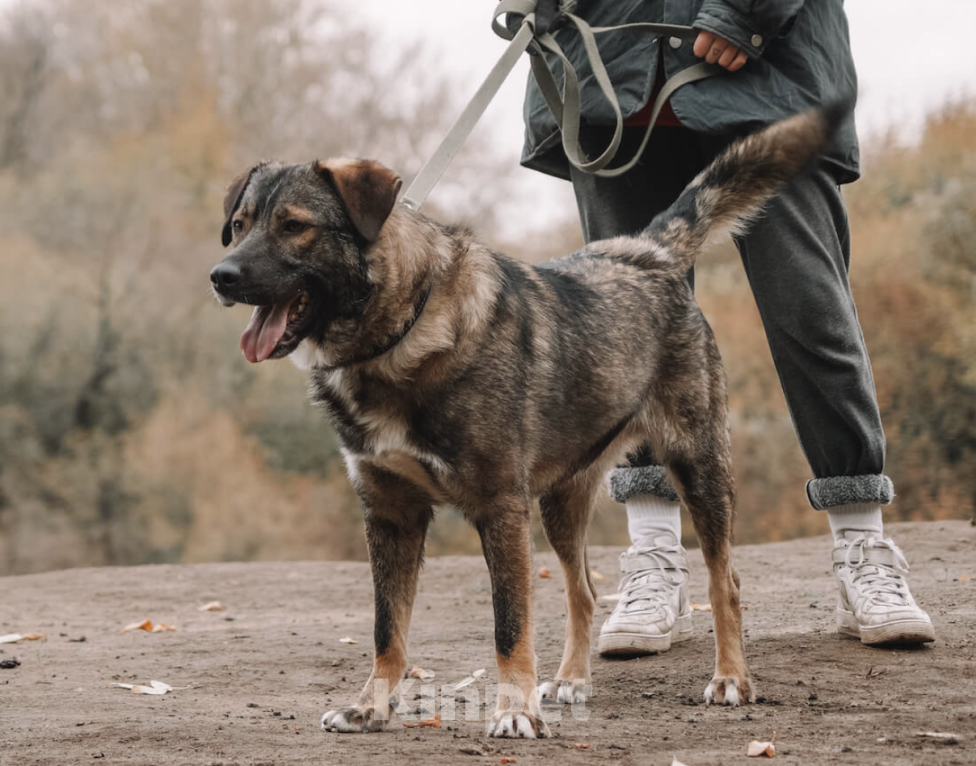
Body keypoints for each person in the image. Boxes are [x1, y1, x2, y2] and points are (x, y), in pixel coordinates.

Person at [517, 0, 935, 654]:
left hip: (767, 67)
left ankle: (864, 547)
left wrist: (750, 9)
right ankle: (654, 558)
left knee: (811, 312)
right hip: (613, 72)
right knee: (627, 336)